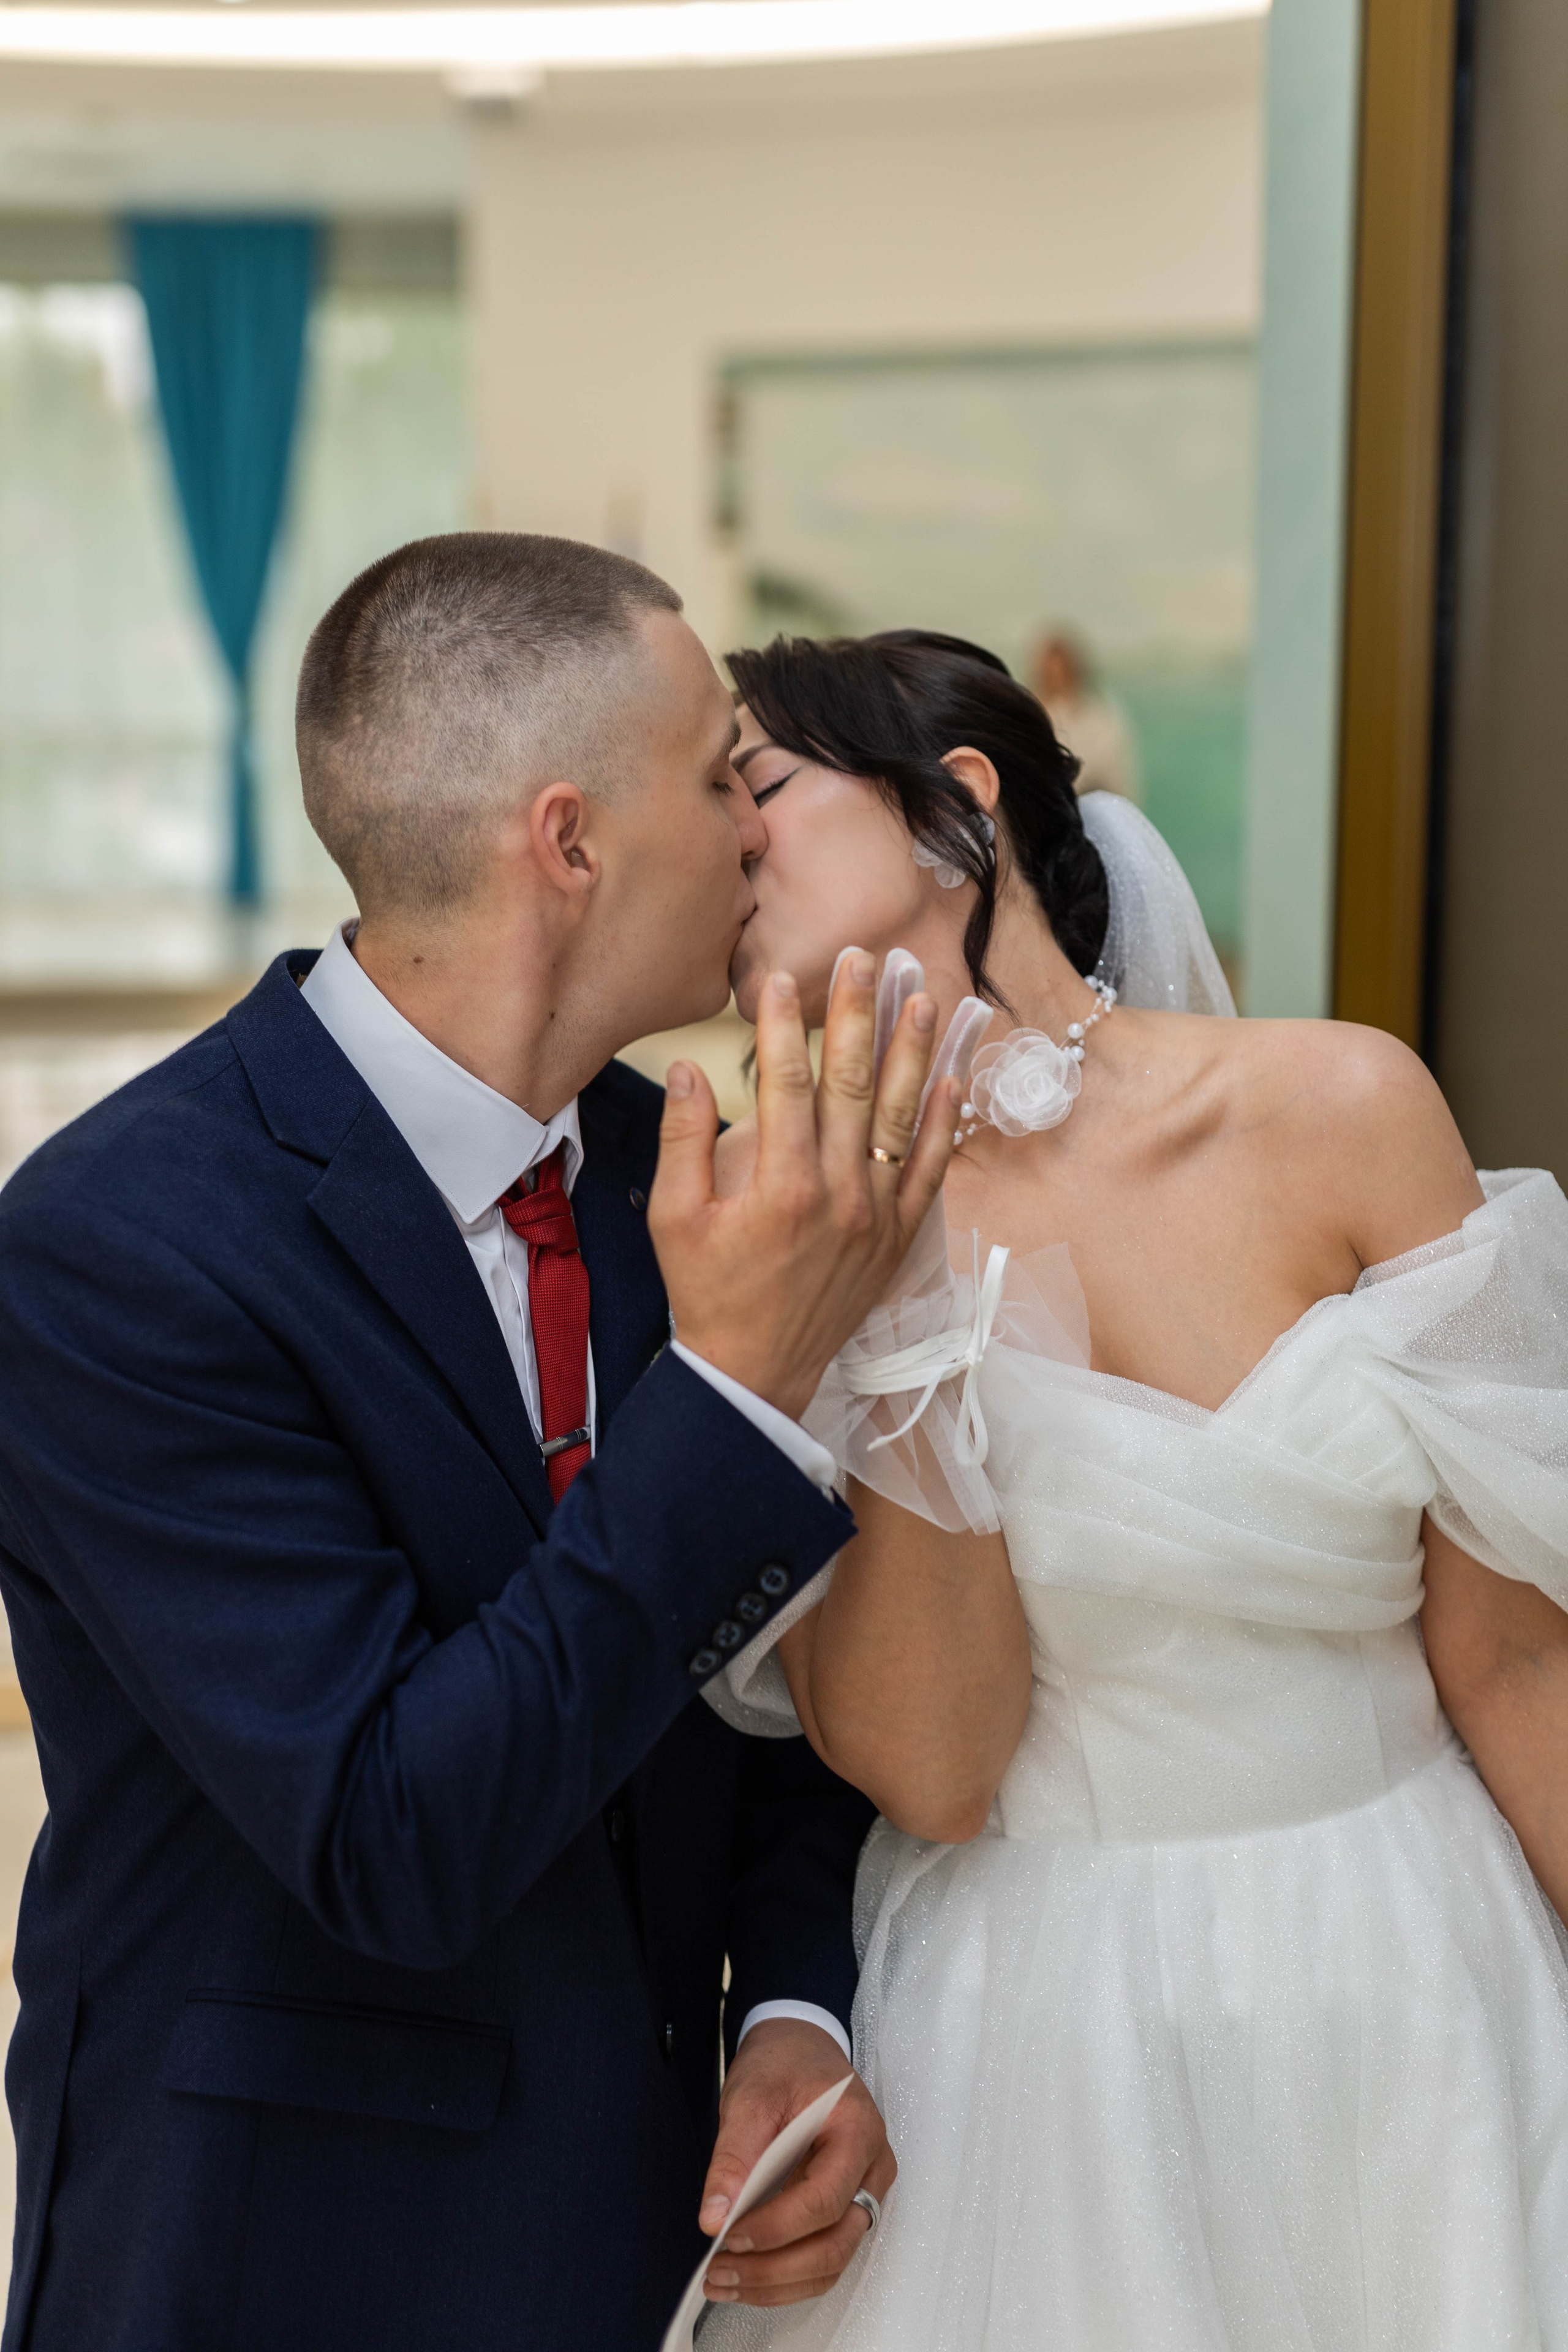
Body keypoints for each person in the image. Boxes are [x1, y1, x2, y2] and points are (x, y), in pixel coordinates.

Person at [0, 540, 970, 2352]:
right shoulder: (116, 1244)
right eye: (714, 780)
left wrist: (797, 2011)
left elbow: (765, 1690)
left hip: (647, 2239)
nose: (757, 833)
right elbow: (395, 1830)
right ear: (569, 840)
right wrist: (741, 1386)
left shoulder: (675, 1172)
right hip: (280, 2252)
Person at [698, 627, 1568, 2348]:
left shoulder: (1347, 1105)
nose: (727, 836)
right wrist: (891, 1299)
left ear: (962, 805)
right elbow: (939, 1766)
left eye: (767, 786)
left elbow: (1516, 1660)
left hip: (1406, 1965)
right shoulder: (758, 1238)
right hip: (1046, 2023)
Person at [1031, 627, 1140, 802]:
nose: (1057, 678)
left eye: (1061, 670)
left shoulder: (1098, 715)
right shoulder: (1031, 711)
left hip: (1090, 803)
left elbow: (1116, 772)